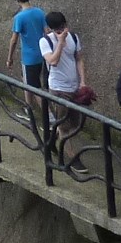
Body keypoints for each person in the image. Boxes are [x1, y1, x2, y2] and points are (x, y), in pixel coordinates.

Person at [39, 11, 86, 164]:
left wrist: (83, 81)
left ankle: (51, 141)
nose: (62, 31)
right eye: (58, 29)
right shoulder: (45, 41)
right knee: (64, 125)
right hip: (58, 88)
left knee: (74, 123)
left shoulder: (73, 37)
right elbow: (53, 61)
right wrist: (59, 42)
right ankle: (72, 158)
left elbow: (79, 59)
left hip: (74, 87)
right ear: (51, 29)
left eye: (63, 27)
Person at [5, 0, 49, 129]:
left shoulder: (20, 17)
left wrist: (9, 57)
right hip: (41, 54)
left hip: (28, 57)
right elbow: (47, 32)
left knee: (35, 87)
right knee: (28, 83)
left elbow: (14, 39)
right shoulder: (39, 12)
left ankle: (50, 118)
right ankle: (28, 109)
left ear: (17, 0)